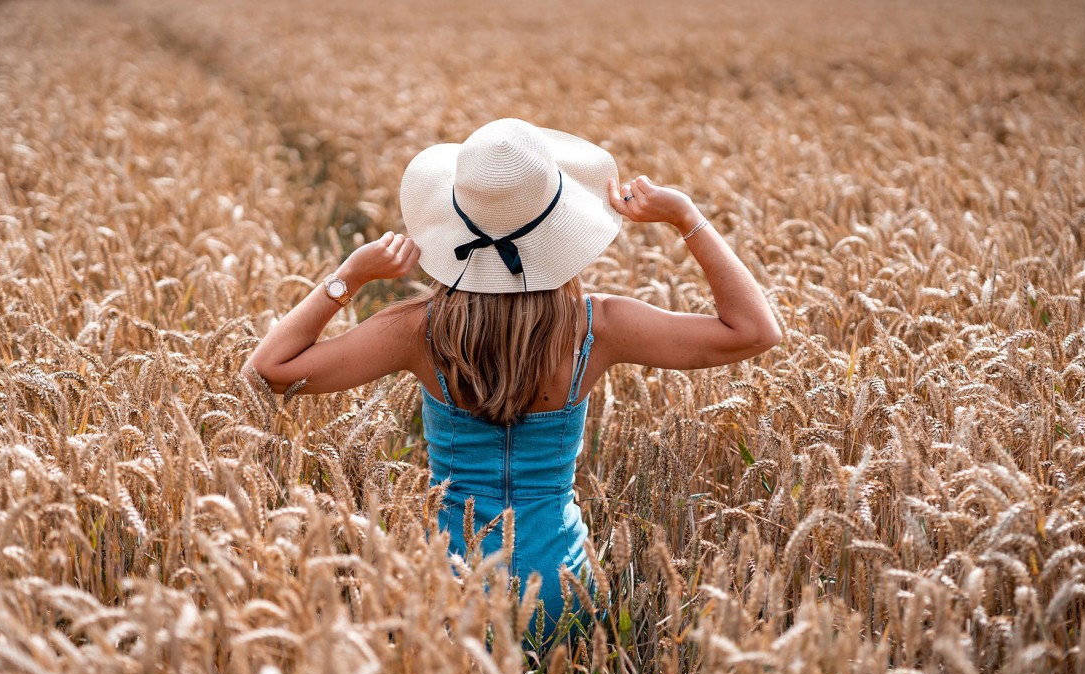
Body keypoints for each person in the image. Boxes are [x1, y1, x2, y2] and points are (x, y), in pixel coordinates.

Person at [241, 118, 781, 647]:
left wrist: (350, 277)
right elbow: (755, 331)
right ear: (561, 225)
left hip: (449, 588)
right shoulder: (601, 327)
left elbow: (267, 370)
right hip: (562, 587)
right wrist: (685, 216)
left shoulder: (416, 330)